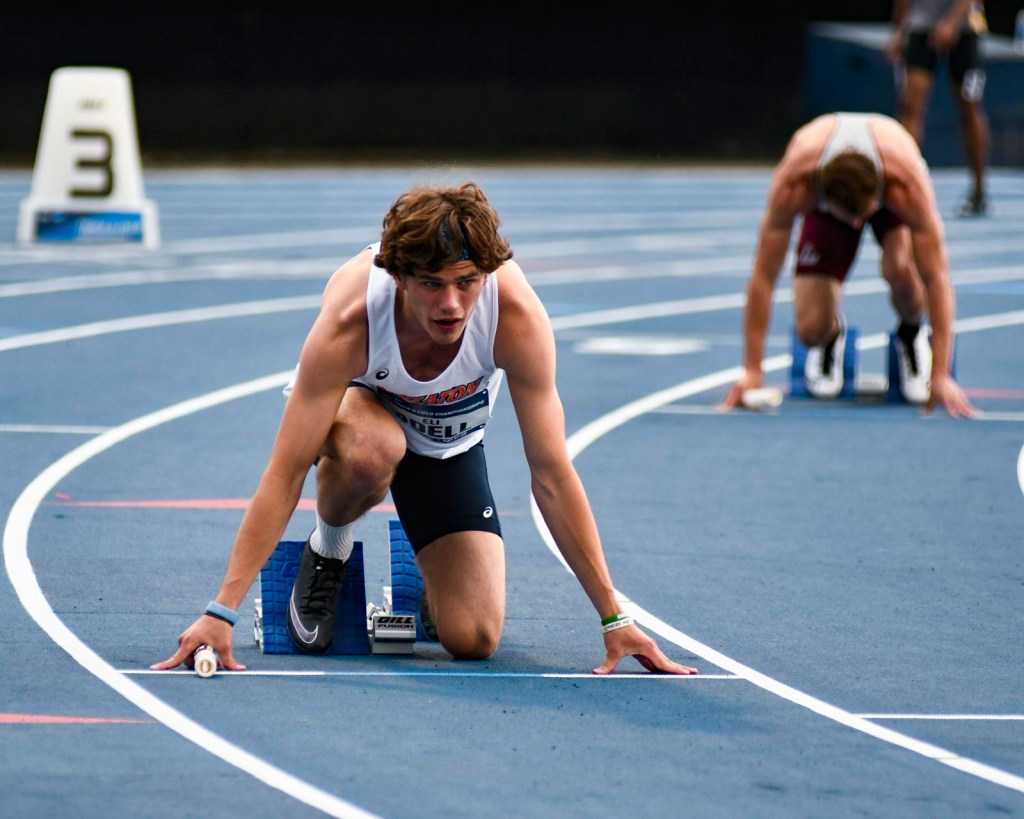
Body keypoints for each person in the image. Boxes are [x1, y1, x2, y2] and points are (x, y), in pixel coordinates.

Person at [153, 182, 696, 676]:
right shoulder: (352, 322)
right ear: (399, 276)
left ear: (487, 274)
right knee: (372, 450)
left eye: (466, 283)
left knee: (474, 639)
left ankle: (428, 576)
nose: (450, 304)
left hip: (446, 444)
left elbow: (552, 474)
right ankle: (329, 550)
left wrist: (614, 618)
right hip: (364, 418)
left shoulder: (515, 318)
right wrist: (220, 611)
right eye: (432, 285)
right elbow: (285, 472)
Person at [718, 112, 976, 418]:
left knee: (901, 269)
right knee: (810, 330)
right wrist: (752, 370)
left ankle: (910, 333)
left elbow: (937, 278)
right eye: (851, 220)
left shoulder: (906, 186)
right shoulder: (795, 185)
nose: (857, 225)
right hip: (833, 201)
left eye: (862, 216)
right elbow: (763, 276)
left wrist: (941, 375)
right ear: (821, 198)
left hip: (887, 198)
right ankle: (831, 336)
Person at [886, 0, 991, 217]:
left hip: (965, 28)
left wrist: (952, 22)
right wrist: (899, 31)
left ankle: (979, 191)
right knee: (910, 106)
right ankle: (905, 186)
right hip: (920, 25)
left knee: (969, 107)